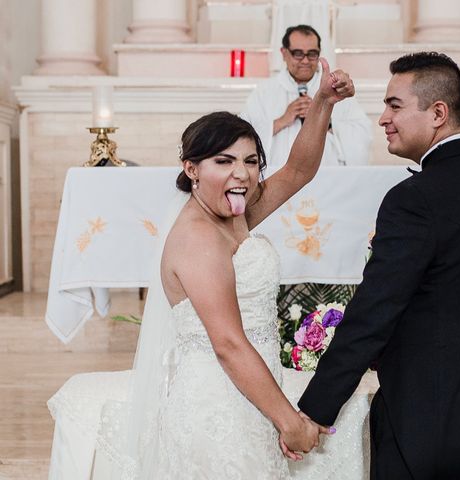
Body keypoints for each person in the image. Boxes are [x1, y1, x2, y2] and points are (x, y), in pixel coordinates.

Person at [298, 52, 460, 480]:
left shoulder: (414, 199)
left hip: (426, 420)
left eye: (394, 105)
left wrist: (316, 409)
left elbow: (374, 312)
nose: (382, 119)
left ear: (438, 113)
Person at [117, 58, 355, 479]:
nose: (241, 174)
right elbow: (227, 342)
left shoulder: (232, 214)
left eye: (250, 161)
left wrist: (322, 102)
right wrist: (290, 421)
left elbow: (299, 170)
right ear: (191, 169)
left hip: (253, 391)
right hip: (218, 402)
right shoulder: (198, 238)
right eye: (224, 162)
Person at [241, 24, 372, 172]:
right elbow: (241, 137)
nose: (305, 61)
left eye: (312, 54)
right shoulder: (264, 92)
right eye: (298, 53)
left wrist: (324, 121)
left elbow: (362, 135)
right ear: (284, 53)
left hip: (327, 177)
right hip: (278, 178)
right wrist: (282, 121)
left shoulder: (336, 90)